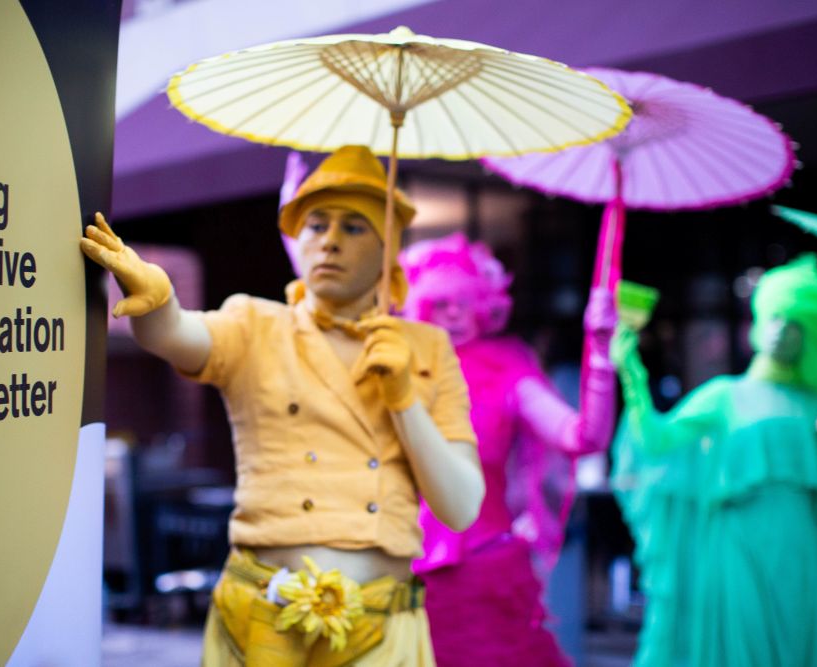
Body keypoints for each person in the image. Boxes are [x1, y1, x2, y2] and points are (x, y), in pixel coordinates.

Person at [80, 145, 484, 666]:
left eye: (354, 227)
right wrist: (159, 302)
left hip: (382, 631)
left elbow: (461, 506)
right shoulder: (256, 324)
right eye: (317, 225)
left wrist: (404, 398)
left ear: (389, 248)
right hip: (263, 620)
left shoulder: (427, 348)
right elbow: (180, 336)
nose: (331, 241)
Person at [611, 254, 817, 667]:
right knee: (740, 646)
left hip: (800, 547)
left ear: (813, 335)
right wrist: (632, 376)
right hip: (736, 544)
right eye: (776, 317)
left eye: (796, 324)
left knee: (799, 642)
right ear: (759, 320)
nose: (782, 330)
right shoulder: (724, 396)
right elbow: (656, 442)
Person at [398, 233, 618, 667]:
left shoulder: (508, 371)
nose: (456, 315)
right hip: (397, 577)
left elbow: (584, 437)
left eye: (466, 301)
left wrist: (601, 350)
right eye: (440, 304)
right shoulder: (390, 373)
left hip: (482, 579)